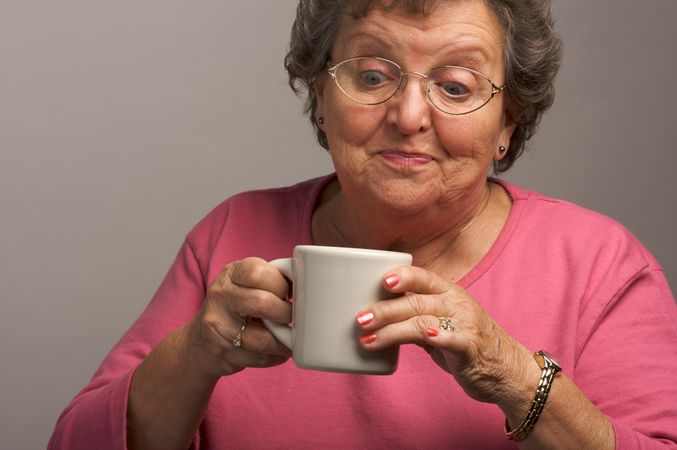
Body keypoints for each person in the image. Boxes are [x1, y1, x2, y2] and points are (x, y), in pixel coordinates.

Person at [48, 0, 677, 449]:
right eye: (372, 75)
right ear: (320, 100)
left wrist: (506, 370)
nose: (408, 115)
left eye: (456, 87)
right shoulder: (232, 233)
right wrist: (196, 354)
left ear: (508, 124)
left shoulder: (601, 267)